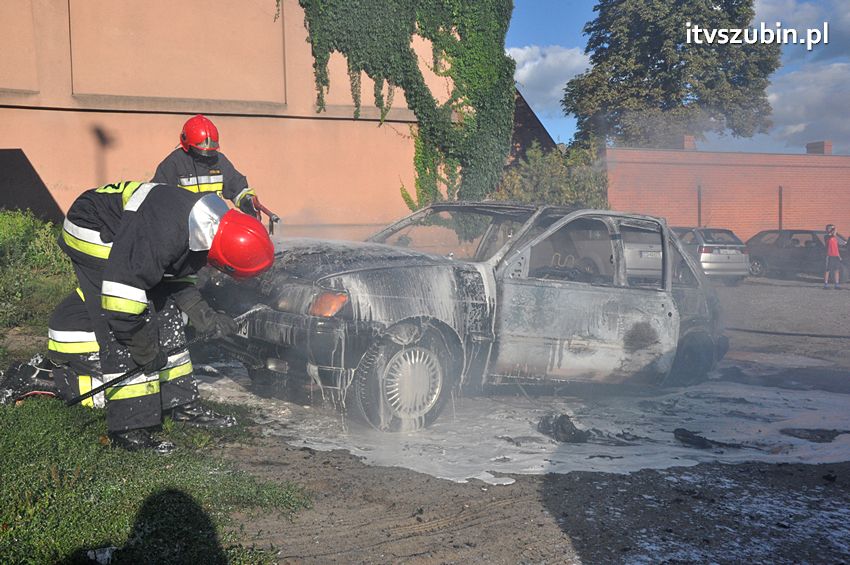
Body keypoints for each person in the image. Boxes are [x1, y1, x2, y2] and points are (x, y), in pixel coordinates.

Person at [43, 181, 274, 452]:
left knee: (166, 314)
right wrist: (143, 348)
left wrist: (205, 317)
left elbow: (177, 275)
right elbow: (121, 304)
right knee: (129, 323)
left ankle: (182, 404)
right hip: (94, 231)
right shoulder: (163, 236)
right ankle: (129, 427)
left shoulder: (208, 222)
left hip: (136, 232)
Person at [152, 114, 259, 217]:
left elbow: (237, 188)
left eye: (210, 152)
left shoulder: (219, 161)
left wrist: (248, 200)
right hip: (184, 227)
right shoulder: (175, 162)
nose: (207, 157)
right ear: (186, 142)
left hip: (213, 223)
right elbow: (157, 196)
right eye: (200, 151)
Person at [824, 223, 842, 290]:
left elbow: (836, 247)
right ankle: (826, 284)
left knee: (836, 270)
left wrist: (839, 255)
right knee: (827, 270)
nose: (832, 229)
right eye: (831, 228)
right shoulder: (826, 236)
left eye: (833, 228)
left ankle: (836, 284)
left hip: (836, 255)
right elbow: (831, 236)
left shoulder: (835, 237)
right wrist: (833, 232)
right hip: (829, 255)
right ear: (827, 229)